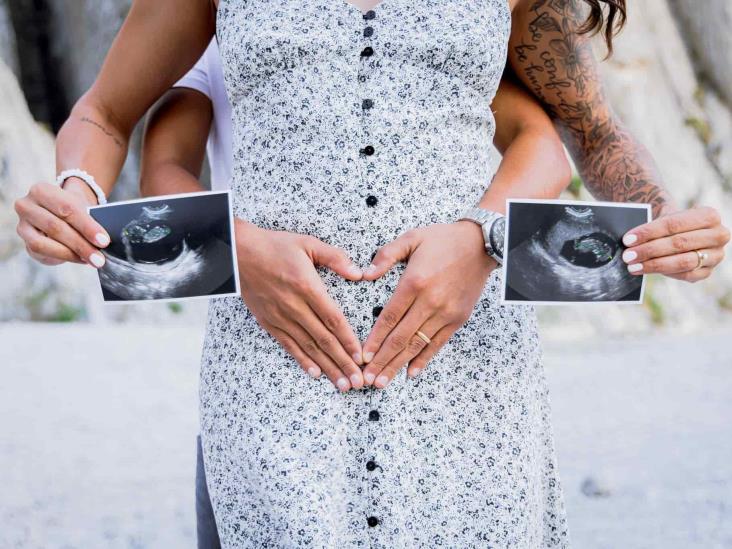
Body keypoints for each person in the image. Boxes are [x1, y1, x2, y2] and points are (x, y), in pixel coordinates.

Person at [11, 0, 730, 546]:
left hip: (469, 372)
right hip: (275, 371)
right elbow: (106, 114)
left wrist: (664, 219)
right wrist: (75, 197)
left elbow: (588, 129)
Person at [141, 37, 570, 548]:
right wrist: (233, 245)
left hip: (456, 355)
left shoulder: (447, 36)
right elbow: (158, 166)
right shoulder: (219, 33)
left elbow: (546, 146)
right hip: (274, 361)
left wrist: (482, 234)